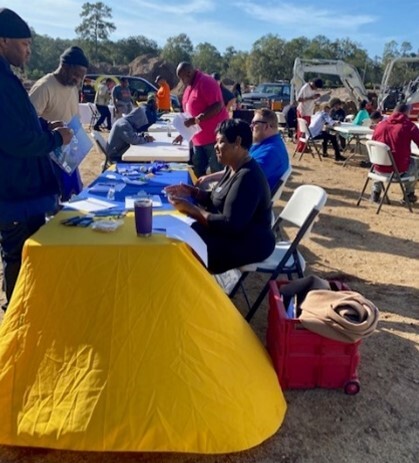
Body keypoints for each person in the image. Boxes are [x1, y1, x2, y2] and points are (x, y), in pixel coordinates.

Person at [0, 8, 72, 311]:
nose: (29, 51)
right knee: (18, 255)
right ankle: (18, 317)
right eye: (24, 44)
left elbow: (20, 124)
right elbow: (14, 140)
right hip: (13, 191)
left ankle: (25, 312)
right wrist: (55, 140)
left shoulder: (8, 77)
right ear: (3, 41)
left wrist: (45, 126)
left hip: (24, 191)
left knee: (27, 254)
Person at [165, 119, 275, 274]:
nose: (215, 147)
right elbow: (219, 199)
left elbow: (230, 225)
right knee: (183, 230)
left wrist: (193, 210)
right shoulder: (233, 167)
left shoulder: (248, 177)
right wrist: (193, 192)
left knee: (185, 241)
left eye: (221, 142)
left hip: (249, 242)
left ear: (237, 142)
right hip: (233, 234)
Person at [29, 46, 89, 201]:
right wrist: (50, 129)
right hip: (48, 158)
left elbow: (73, 115)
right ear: (65, 67)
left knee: (73, 198)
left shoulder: (72, 86)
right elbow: (28, 122)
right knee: (54, 202)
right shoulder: (44, 87)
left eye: (80, 78)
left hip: (69, 155)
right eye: (76, 75)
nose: (78, 80)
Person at [197, 109, 289, 193]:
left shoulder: (270, 152)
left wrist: (213, 185)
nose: (251, 126)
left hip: (247, 196)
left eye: (254, 123)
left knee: (202, 188)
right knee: (203, 184)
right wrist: (209, 177)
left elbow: (244, 177)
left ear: (266, 127)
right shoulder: (266, 144)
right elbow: (235, 170)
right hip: (244, 188)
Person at [174, 62, 229, 177]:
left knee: (216, 171)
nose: (181, 81)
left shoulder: (206, 82)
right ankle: (200, 193)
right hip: (198, 139)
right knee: (198, 170)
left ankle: (217, 195)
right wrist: (182, 133)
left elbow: (217, 106)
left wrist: (197, 119)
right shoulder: (189, 87)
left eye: (182, 77)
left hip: (213, 138)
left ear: (189, 73)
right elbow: (189, 113)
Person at [371, 103, 419, 204]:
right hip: (398, 171)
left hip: (378, 169)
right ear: (407, 112)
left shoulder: (380, 126)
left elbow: (374, 144)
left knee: (379, 158)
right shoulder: (409, 126)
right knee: (415, 162)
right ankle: (409, 194)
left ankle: (375, 192)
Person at [296, 78, 323, 152]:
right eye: (316, 87)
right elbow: (298, 99)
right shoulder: (305, 87)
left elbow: (313, 98)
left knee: (305, 130)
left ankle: (303, 146)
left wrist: (316, 97)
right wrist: (310, 98)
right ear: (313, 84)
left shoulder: (314, 90)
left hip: (309, 111)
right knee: (303, 130)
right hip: (303, 111)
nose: (316, 89)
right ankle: (301, 147)